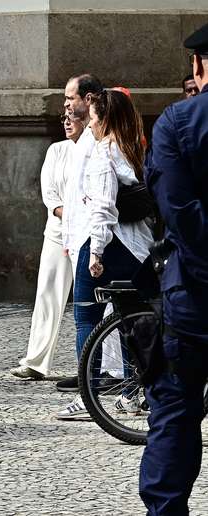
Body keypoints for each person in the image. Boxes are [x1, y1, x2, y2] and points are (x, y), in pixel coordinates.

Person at [139, 24, 208, 514]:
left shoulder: (177, 123)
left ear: (198, 66)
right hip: (191, 291)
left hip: (192, 296)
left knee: (176, 415)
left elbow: (180, 212)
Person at [56, 88, 154, 420]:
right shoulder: (131, 148)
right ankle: (133, 392)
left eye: (94, 118)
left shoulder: (104, 151)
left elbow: (103, 208)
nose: (90, 124)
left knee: (86, 317)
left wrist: (95, 251)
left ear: (104, 119)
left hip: (109, 244)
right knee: (128, 317)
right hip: (136, 248)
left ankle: (88, 395)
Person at [10, 111, 83, 380]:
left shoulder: (93, 148)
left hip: (86, 231)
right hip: (58, 229)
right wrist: (69, 214)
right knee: (47, 292)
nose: (66, 121)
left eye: (72, 116)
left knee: (91, 297)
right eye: (64, 117)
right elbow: (49, 194)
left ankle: (102, 366)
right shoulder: (56, 150)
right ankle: (36, 361)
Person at [52, 73, 105, 394]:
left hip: (91, 238)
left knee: (87, 316)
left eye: (70, 98)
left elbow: (98, 198)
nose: (66, 105)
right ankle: (91, 375)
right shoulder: (82, 140)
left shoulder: (97, 139)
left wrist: (90, 244)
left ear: (88, 99)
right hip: (80, 238)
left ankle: (91, 385)